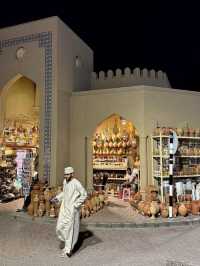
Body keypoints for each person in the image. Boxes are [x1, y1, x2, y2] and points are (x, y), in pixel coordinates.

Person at [53, 166, 87, 258]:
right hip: (64, 208)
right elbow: (64, 193)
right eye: (65, 174)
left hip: (72, 210)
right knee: (60, 227)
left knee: (69, 229)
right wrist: (57, 198)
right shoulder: (65, 182)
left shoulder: (76, 183)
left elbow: (84, 194)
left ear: (72, 174)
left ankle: (68, 249)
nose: (66, 176)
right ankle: (67, 244)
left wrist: (76, 204)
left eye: (68, 174)